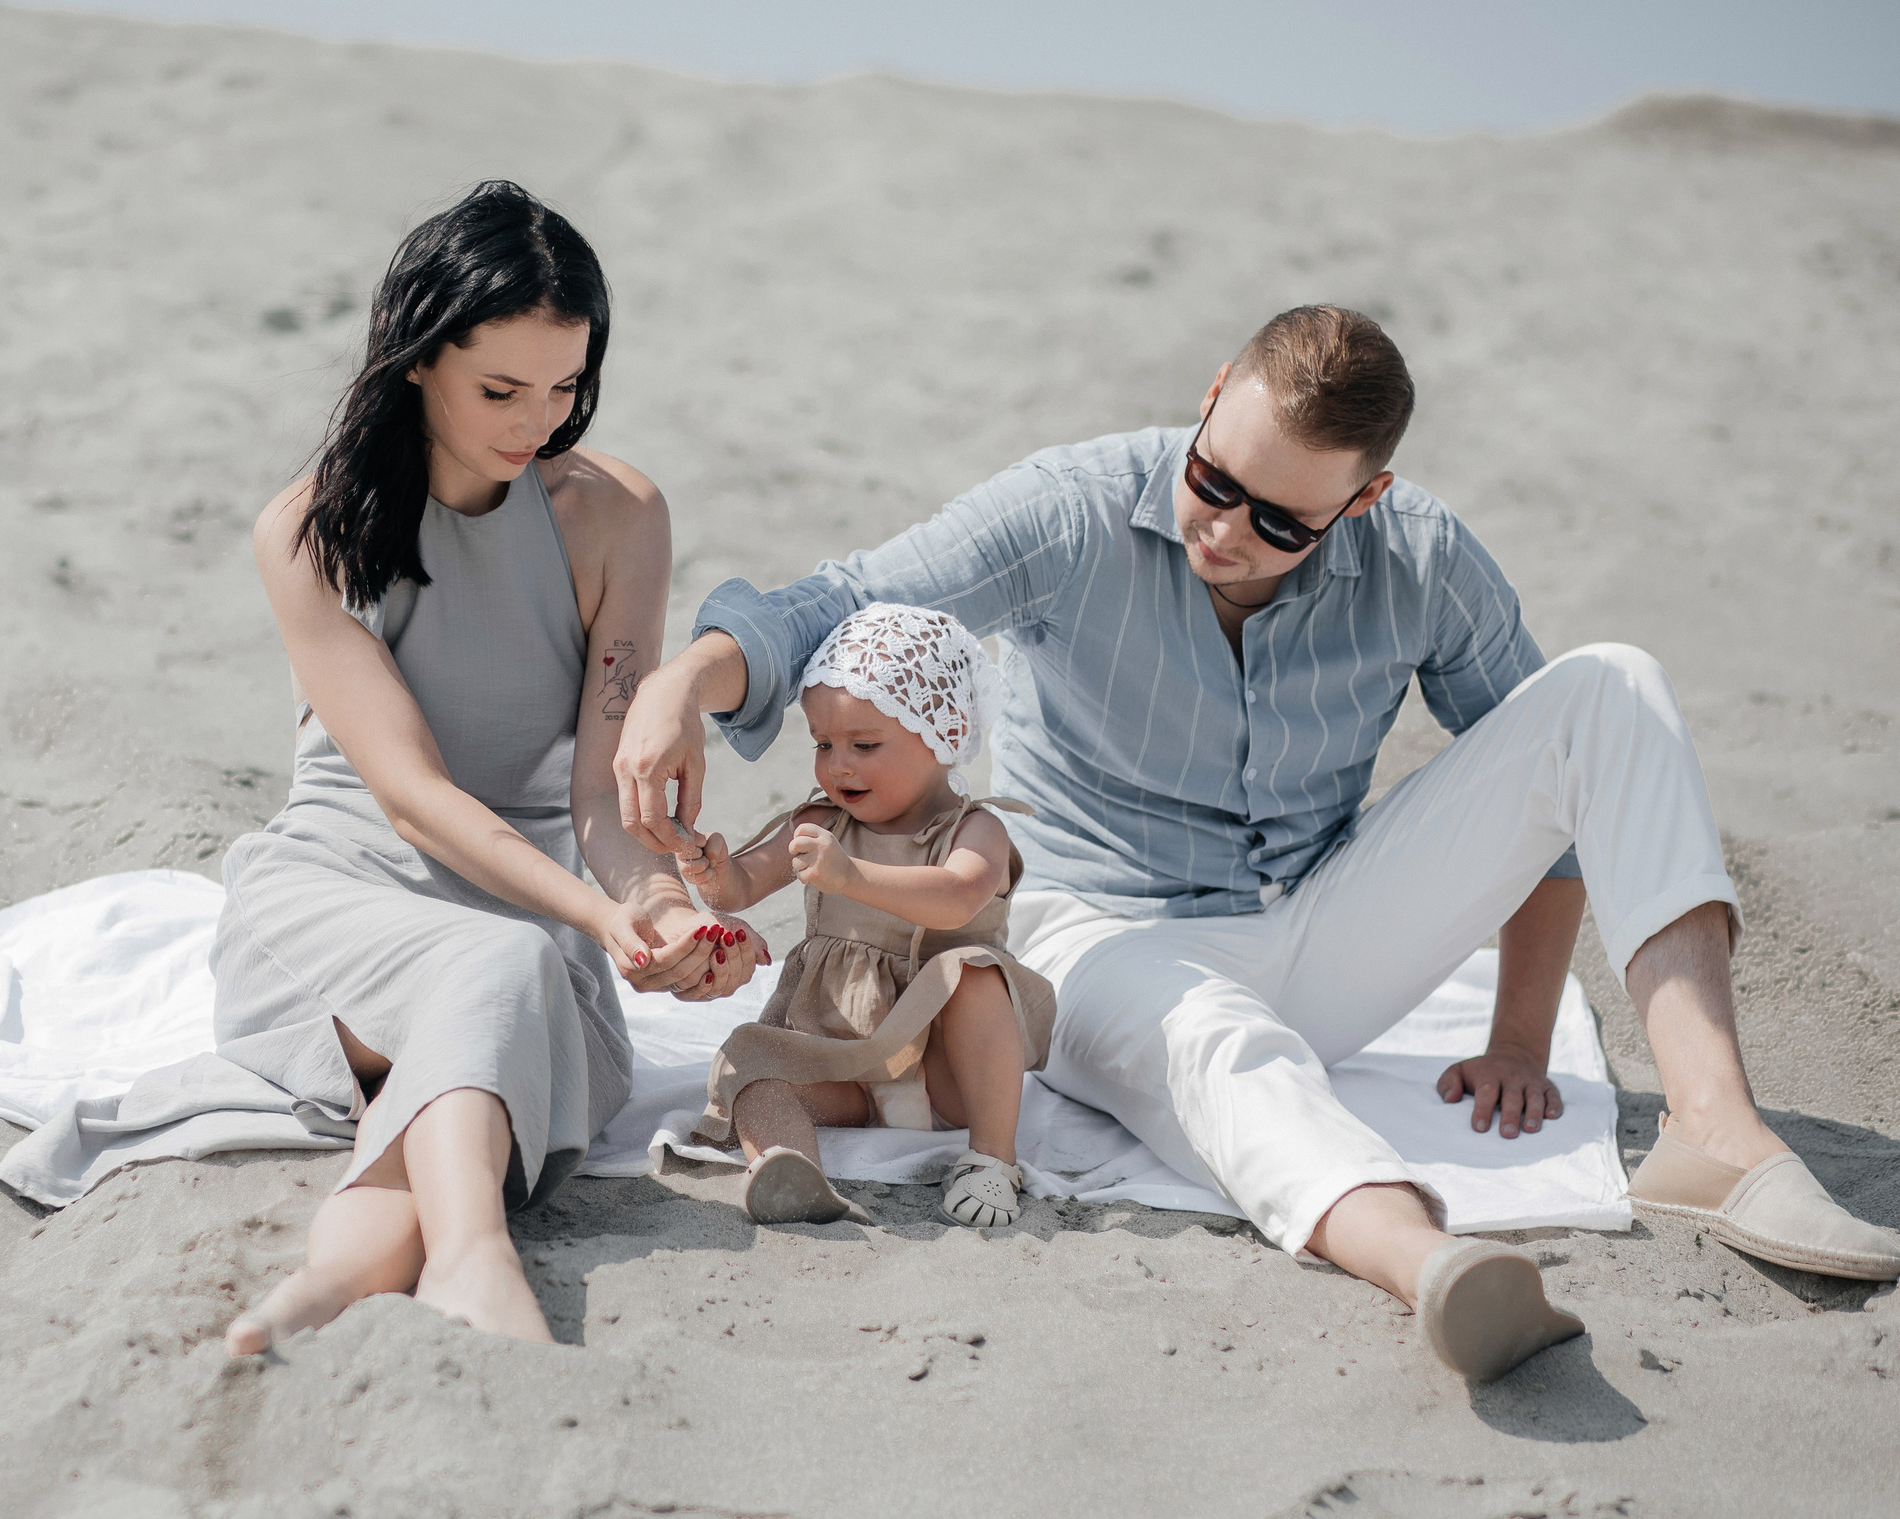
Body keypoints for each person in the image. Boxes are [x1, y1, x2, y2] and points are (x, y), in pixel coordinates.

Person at [617, 305, 1900, 1384]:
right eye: (1209, 479)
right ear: (1212, 394)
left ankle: (1715, 1131)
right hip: (1098, 935)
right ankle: (1433, 1266)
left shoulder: (1423, 557)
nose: (1224, 527)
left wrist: (1517, 1037)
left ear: (1363, 498)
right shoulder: (1071, 508)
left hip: (1322, 915)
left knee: (1609, 684)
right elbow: (843, 599)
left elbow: (1546, 789)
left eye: (1279, 519)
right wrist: (692, 677)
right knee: (1215, 1046)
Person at [214, 181, 762, 1356]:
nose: (537, 423)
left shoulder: (615, 515)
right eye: (499, 389)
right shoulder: (308, 531)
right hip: (341, 897)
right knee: (500, 964)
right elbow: (409, 799)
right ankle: (474, 1256)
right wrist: (594, 920)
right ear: (416, 360)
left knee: (500, 979)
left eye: (566, 387)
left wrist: (659, 908)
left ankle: (325, 1286)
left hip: (524, 913)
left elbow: (601, 794)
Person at [674, 604, 1054, 1229]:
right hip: (843, 1061)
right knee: (750, 1061)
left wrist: (852, 877)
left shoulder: (974, 828)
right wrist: (714, 875)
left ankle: (992, 1157)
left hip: (941, 1074)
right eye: (824, 744)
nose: (839, 764)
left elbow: (959, 895)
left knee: (974, 973)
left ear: (946, 734)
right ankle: (786, 1164)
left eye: (865, 744)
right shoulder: (823, 823)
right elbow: (743, 884)